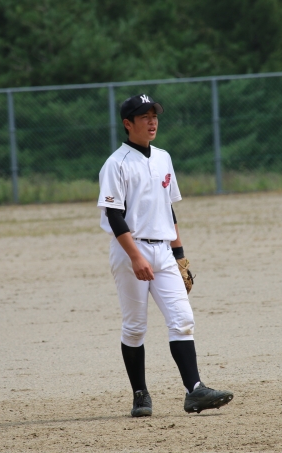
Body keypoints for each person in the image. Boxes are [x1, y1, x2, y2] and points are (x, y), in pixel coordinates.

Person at [97, 93, 233, 417]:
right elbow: (114, 215)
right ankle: (140, 394)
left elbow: (168, 209)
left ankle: (194, 390)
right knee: (135, 327)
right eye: (144, 117)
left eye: (154, 115)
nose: (152, 121)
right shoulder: (116, 163)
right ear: (128, 123)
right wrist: (135, 257)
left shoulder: (163, 157)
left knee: (182, 320)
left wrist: (179, 255)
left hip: (163, 250)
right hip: (130, 249)